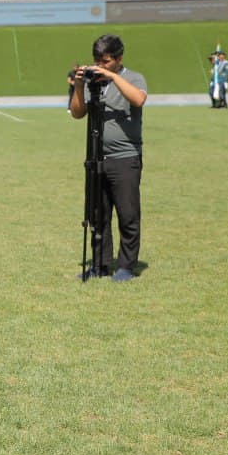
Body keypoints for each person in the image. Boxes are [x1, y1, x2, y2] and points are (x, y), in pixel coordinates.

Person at [69, 34, 148, 282]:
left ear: (118, 58)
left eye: (105, 61)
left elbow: (138, 99)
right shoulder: (93, 82)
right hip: (95, 157)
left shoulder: (133, 77)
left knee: (127, 214)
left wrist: (113, 77)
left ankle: (126, 265)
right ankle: (100, 265)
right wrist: (80, 85)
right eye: (96, 61)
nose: (99, 66)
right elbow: (77, 113)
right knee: (97, 214)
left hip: (125, 158)